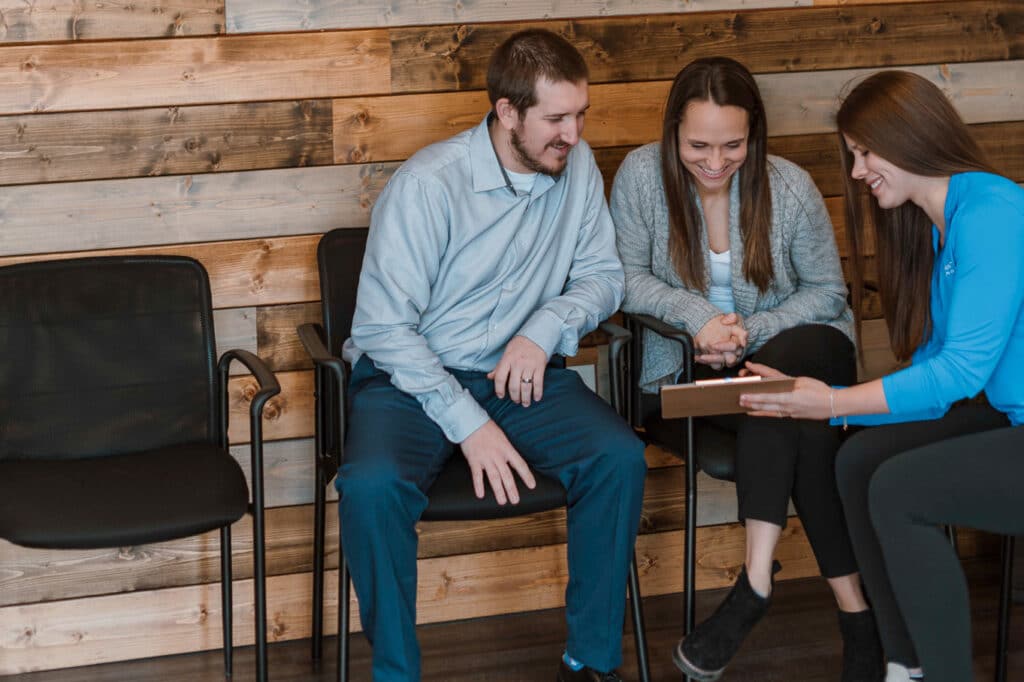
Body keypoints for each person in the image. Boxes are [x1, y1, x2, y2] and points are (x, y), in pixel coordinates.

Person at [339, 28, 647, 682]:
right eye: (556, 118)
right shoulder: (428, 185)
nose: (573, 132)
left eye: (581, 114)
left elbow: (603, 276)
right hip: (411, 382)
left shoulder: (577, 165)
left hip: (519, 375)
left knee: (618, 457)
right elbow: (384, 328)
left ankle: (589, 659)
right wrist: (469, 424)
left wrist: (545, 325)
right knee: (369, 489)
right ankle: (396, 674)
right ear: (507, 112)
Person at [739, 70, 1024, 682]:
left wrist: (832, 401)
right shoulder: (936, 227)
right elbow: (932, 374)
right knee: (857, 461)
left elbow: (958, 374)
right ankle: (906, 663)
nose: (860, 170)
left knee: (900, 491)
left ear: (910, 134)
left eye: (866, 152)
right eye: (853, 156)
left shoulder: (992, 212)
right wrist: (816, 406)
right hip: (1009, 414)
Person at [611, 56, 881, 681]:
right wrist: (698, 318)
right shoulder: (640, 179)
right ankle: (856, 616)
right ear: (672, 131)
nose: (713, 161)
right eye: (697, 145)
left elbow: (828, 292)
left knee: (777, 379)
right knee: (798, 420)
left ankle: (756, 582)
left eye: (732, 145)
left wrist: (747, 335)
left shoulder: (786, 186)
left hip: (798, 357)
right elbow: (621, 278)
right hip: (685, 379)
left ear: (754, 134)